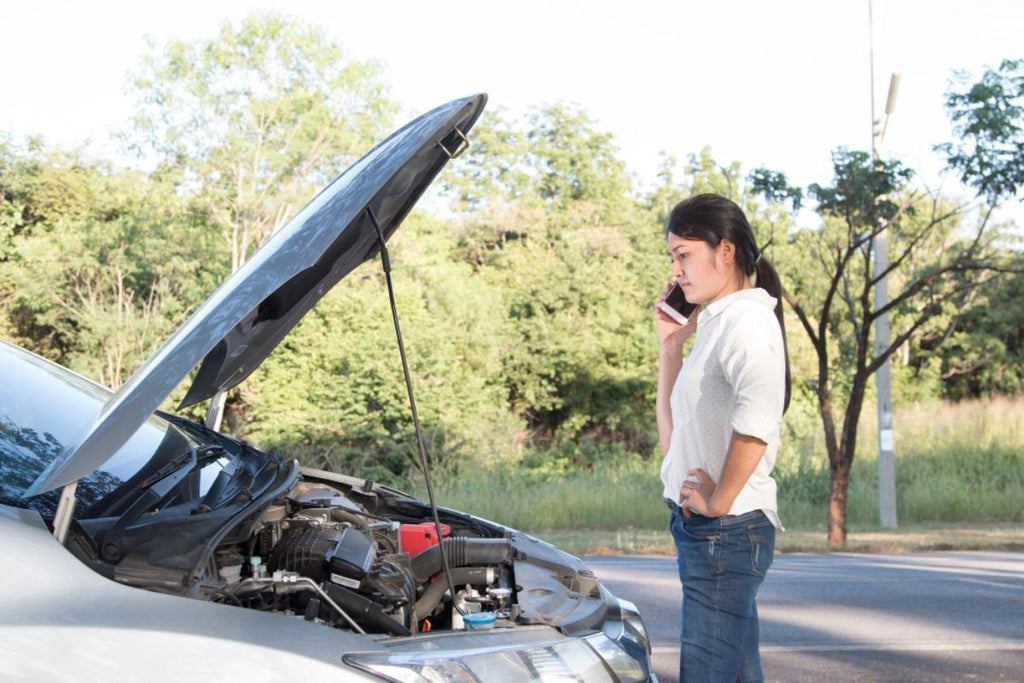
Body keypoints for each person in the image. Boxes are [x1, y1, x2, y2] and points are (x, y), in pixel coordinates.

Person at [655, 193, 790, 682]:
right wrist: (670, 349)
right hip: (708, 531)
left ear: (725, 251)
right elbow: (676, 446)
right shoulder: (715, 324)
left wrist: (717, 500)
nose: (677, 271)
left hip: (725, 532)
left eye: (684, 254)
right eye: (673, 257)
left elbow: (758, 422)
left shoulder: (747, 323)